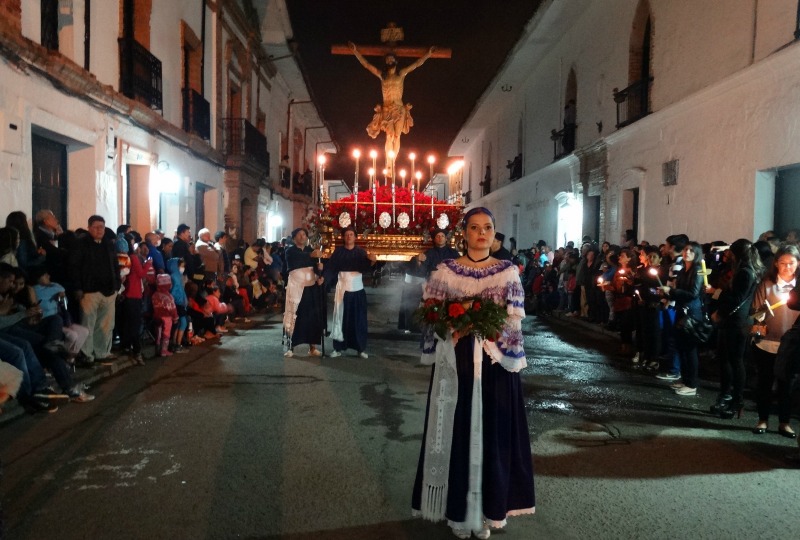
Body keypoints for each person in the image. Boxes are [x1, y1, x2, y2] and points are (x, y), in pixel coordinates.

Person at [411, 207, 535, 539]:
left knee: (492, 433)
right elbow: (432, 316)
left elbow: (513, 322)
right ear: (463, 233)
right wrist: (454, 325)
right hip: (458, 360)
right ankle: (458, 512)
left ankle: (488, 511)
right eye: (475, 227)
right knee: (458, 431)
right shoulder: (445, 271)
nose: (482, 233)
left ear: (494, 234)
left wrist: (493, 339)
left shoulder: (507, 272)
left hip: (495, 364)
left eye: (488, 227)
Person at [349, 41, 435, 161]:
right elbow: (367, 65)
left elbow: (416, 64)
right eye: (387, 60)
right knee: (389, 136)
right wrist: (355, 51)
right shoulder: (382, 76)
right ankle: (389, 162)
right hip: (387, 109)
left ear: (395, 61)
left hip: (399, 109)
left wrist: (428, 54)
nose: (389, 61)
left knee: (397, 136)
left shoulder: (401, 74)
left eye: (391, 59)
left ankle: (393, 161)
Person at [708, 238, 764, 418]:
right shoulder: (746, 270)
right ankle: (727, 396)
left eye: (730, 251)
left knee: (734, 361)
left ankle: (735, 400)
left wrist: (717, 297)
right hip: (735, 321)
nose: (727, 254)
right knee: (728, 360)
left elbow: (736, 298)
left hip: (736, 322)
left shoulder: (745, 272)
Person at [750, 245, 799, 437]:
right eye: (783, 263)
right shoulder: (767, 285)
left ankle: (784, 422)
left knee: (787, 384)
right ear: (776, 264)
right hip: (767, 343)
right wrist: (760, 317)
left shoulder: (798, 288)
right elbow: (756, 312)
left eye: (791, 263)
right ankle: (763, 419)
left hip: (791, 344)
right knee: (765, 382)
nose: (787, 267)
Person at [69, 215, 121, 364]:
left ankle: (102, 352)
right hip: (89, 290)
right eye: (96, 227)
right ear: (89, 228)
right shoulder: (81, 244)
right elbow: (74, 267)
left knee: (105, 324)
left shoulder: (108, 244)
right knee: (88, 324)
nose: (99, 230)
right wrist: (78, 287)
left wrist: (116, 286)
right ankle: (87, 354)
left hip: (109, 291)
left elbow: (115, 266)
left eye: (102, 227)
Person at [659, 241, 705, 397]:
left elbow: (693, 294)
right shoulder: (685, 270)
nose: (687, 252)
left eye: (692, 250)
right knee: (681, 346)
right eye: (686, 249)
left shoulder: (698, 270)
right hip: (681, 310)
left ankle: (692, 383)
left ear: (697, 253)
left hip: (691, 313)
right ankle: (685, 379)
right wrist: (668, 292)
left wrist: (672, 291)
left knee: (690, 349)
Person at [323, 227, 377, 357]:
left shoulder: (361, 252)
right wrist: (323, 279)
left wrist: (373, 261)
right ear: (343, 237)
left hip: (357, 290)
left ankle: (360, 349)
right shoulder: (338, 252)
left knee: (358, 320)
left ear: (355, 237)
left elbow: (367, 268)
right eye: (346, 234)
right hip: (342, 290)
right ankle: (337, 348)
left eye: (351, 234)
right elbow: (331, 268)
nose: (349, 237)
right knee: (340, 319)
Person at [282, 228, 324, 358]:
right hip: (296, 287)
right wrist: (311, 256)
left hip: (310, 287)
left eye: (304, 234)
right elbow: (297, 259)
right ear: (294, 238)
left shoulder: (311, 251)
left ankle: (312, 347)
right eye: (299, 234)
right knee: (294, 315)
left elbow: (316, 268)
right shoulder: (290, 251)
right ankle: (290, 347)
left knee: (312, 316)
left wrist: (320, 272)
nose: (302, 236)